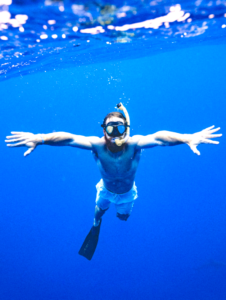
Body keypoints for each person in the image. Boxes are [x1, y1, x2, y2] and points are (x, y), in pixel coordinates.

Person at [5, 103, 222, 260]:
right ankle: (97, 223)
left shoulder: (135, 143)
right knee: (98, 212)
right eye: (110, 128)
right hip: (105, 189)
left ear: (126, 130)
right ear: (103, 130)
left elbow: (160, 137)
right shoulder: (97, 145)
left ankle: (118, 214)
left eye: (119, 128)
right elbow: (68, 138)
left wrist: (186, 138)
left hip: (128, 193)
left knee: (123, 216)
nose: (115, 133)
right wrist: (40, 138)